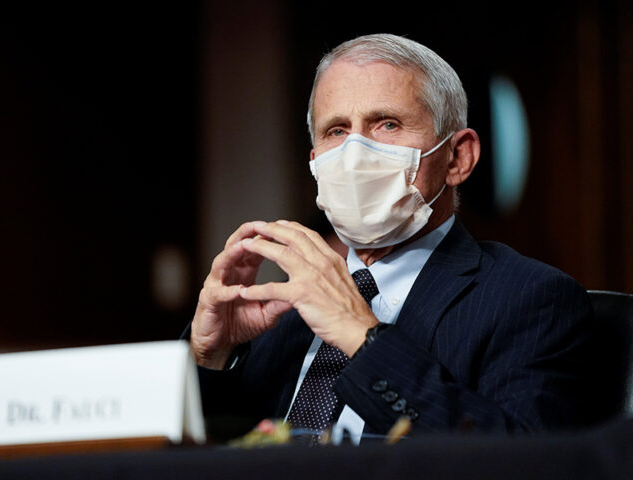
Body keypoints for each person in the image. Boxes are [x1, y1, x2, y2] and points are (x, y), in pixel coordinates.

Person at [186, 33, 599, 443]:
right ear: (315, 163)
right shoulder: (281, 312)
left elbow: (518, 461)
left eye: (387, 124)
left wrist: (360, 336)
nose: (355, 153)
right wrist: (209, 356)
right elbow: (199, 454)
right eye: (336, 131)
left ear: (458, 157)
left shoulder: (531, 300)